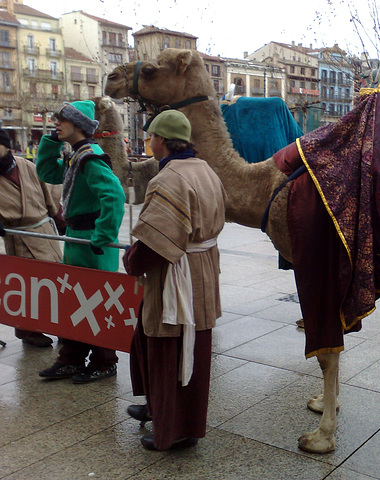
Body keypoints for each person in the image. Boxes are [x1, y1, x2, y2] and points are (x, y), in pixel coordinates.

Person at [123, 110, 226, 451]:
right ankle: (162, 411)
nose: (149, 142)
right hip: (202, 271)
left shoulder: (168, 179)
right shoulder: (206, 170)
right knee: (185, 347)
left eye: (151, 136)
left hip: (176, 275)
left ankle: (174, 430)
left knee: (170, 350)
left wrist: (132, 261)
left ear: (162, 141)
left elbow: (155, 242)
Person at [36, 100, 125, 384]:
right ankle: (72, 358)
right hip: (77, 238)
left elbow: (114, 196)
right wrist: (50, 143)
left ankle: (104, 360)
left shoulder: (90, 157)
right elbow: (46, 173)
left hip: (91, 242)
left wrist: (102, 236)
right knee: (74, 300)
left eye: (62, 120)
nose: (56, 124)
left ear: (78, 124)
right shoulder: (76, 156)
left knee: (98, 301)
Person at [0, 128, 63, 347]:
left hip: (43, 231)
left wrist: (58, 216)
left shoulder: (27, 166)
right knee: (26, 285)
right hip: (18, 236)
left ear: (6, 145)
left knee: (55, 279)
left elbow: (49, 192)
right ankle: (27, 330)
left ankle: (63, 326)